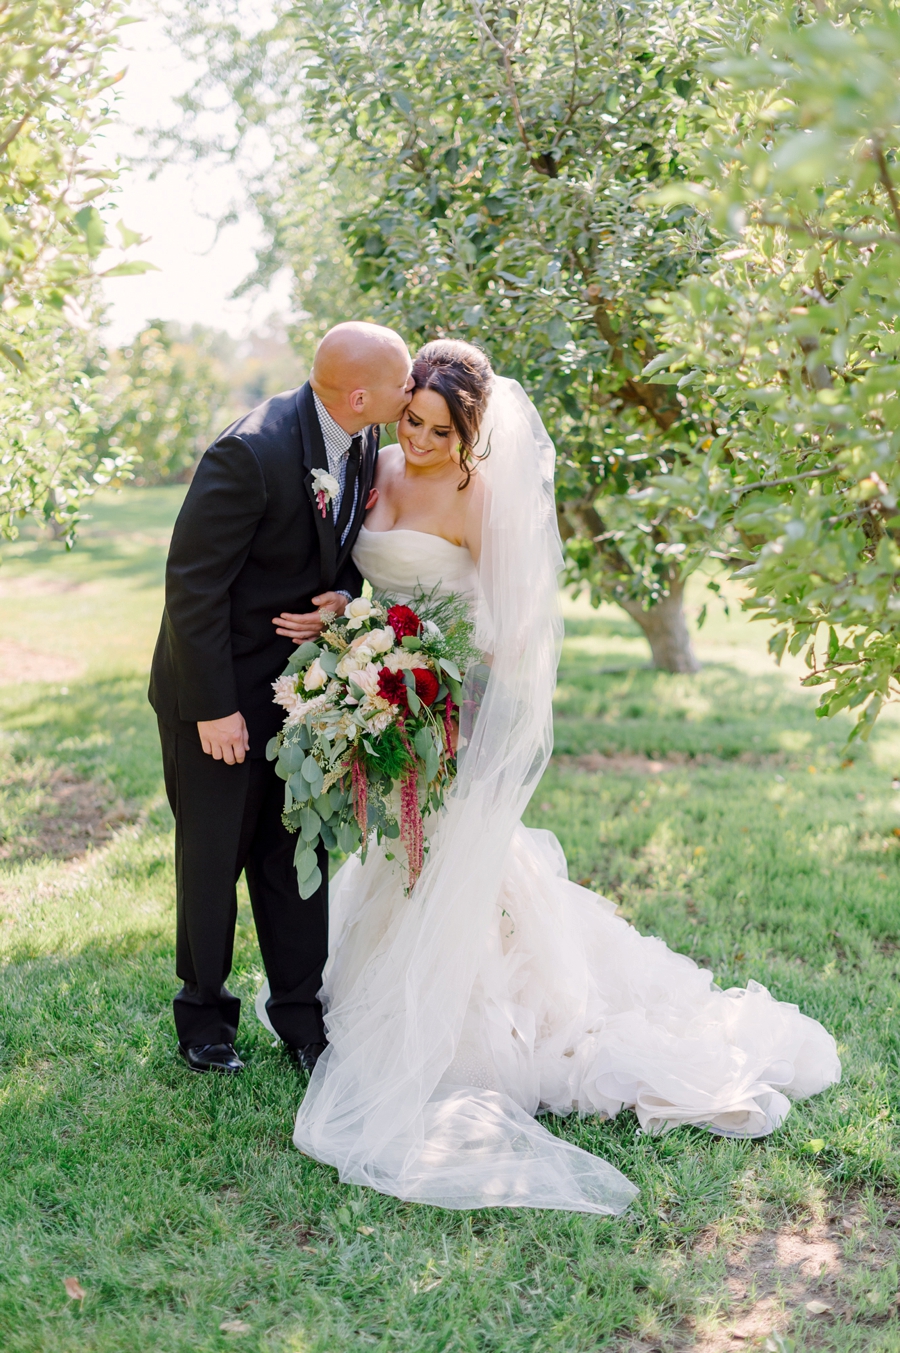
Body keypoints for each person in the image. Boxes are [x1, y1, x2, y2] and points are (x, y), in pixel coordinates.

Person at [267, 338, 841, 1214]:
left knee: (456, 864)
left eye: (441, 431)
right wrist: (356, 623)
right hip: (387, 692)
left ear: (473, 434)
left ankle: (479, 1021)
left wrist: (442, 685)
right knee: (402, 861)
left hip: (447, 704)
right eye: (412, 420)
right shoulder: (374, 465)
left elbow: (515, 629)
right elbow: (361, 573)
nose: (419, 441)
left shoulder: (480, 497)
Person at [149, 321, 413, 1074]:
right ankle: (204, 1020)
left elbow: (342, 554)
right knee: (211, 857)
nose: (413, 387)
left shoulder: (362, 442)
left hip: (301, 691)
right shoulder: (251, 451)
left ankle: (301, 1017)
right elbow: (192, 585)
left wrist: (344, 599)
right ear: (362, 395)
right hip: (220, 691)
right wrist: (212, 708)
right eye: (402, 381)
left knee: (297, 851)